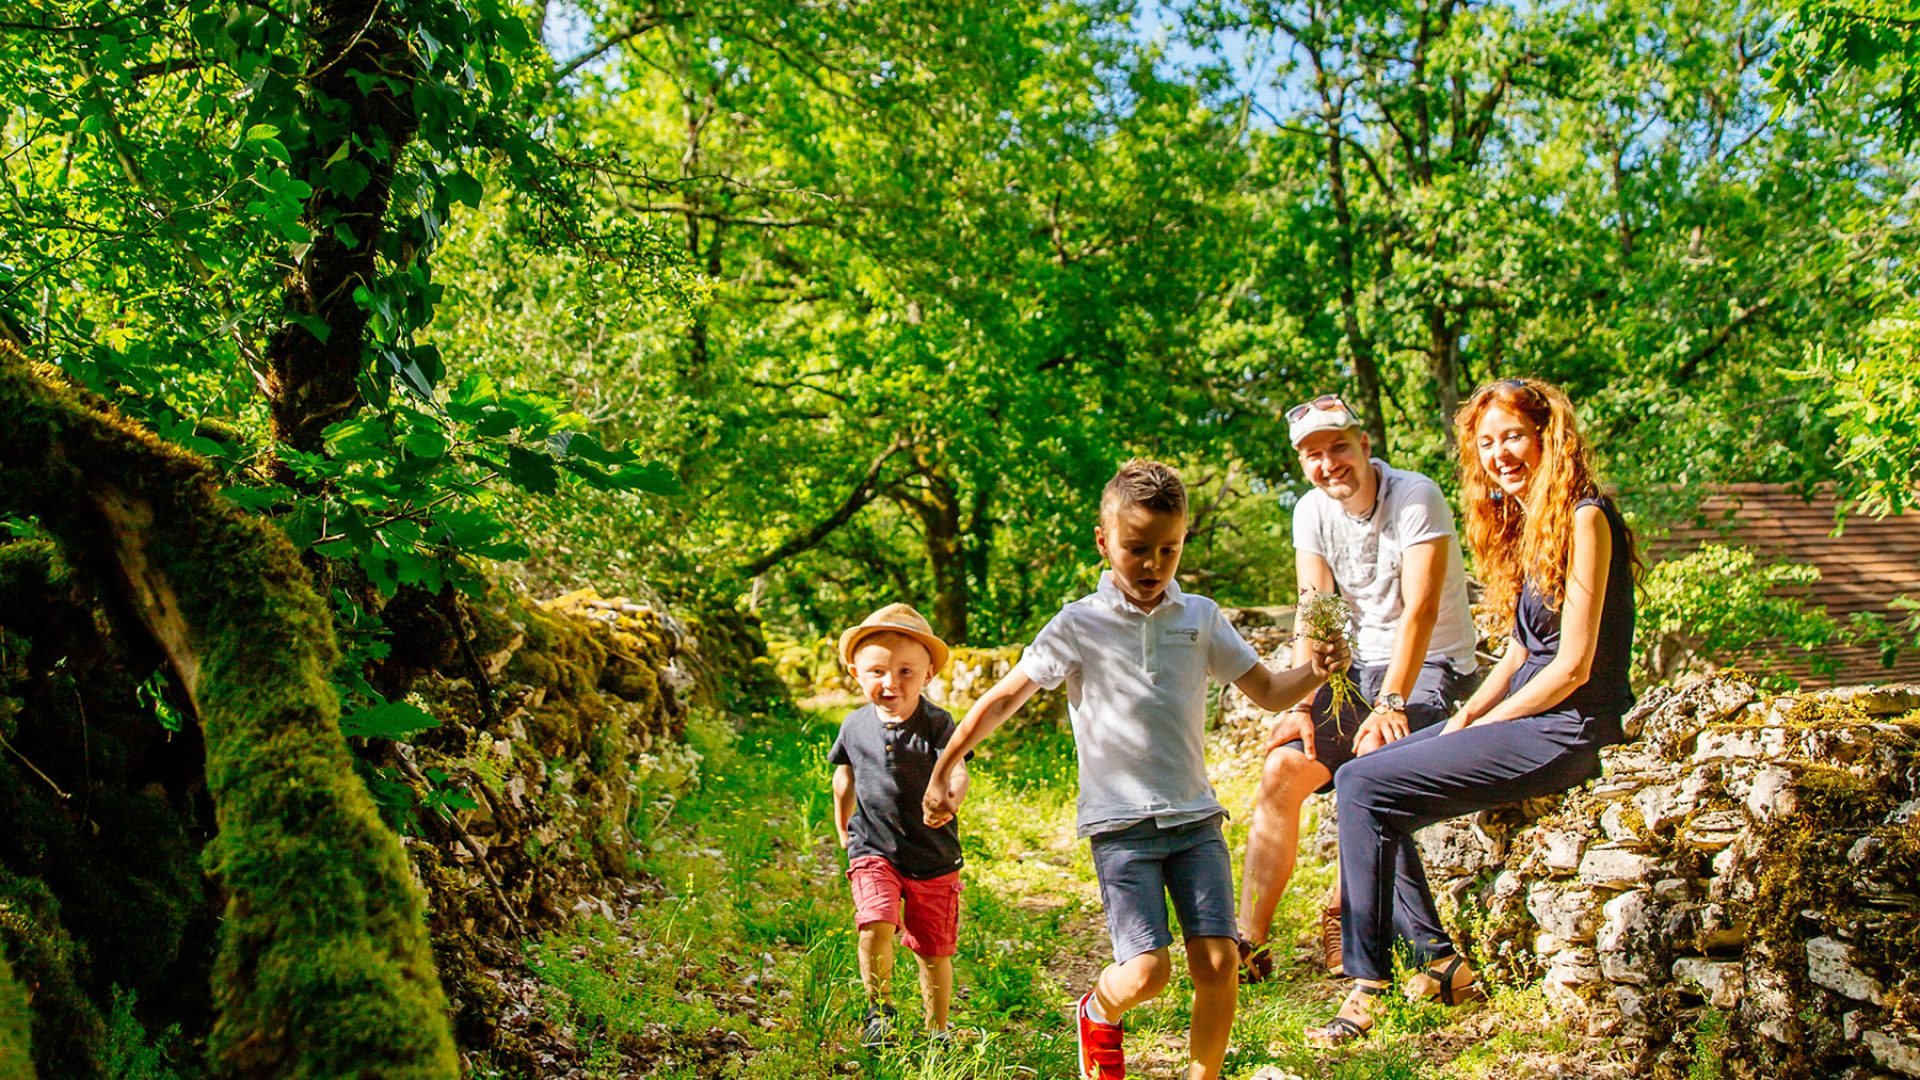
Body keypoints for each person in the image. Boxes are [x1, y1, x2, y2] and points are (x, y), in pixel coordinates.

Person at [921, 460, 1349, 1080]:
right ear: (1103, 542)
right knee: (1148, 972)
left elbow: (1269, 690)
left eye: (1167, 550)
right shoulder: (1078, 624)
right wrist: (944, 765)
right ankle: (1098, 1009)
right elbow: (1005, 697)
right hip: (1120, 827)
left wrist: (1317, 669)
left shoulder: (1199, 617)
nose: (1152, 564)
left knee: (1219, 962)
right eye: (1136, 548)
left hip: (1196, 818)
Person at [1306, 377, 1640, 1046]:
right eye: (1486, 443)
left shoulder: (1585, 518)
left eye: (1513, 436)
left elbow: (1572, 665)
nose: (1500, 454)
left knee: (1364, 783)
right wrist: (1460, 722)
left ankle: (1367, 988)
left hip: (1570, 727)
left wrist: (1490, 723)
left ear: (1549, 436)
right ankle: (1438, 964)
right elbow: (1519, 651)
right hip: (1529, 715)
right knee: (1367, 773)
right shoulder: (1527, 525)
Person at [1238, 393, 1481, 981]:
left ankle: (1347, 916)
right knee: (1283, 768)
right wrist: (1300, 702)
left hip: (1429, 665)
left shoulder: (1415, 494)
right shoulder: (1309, 512)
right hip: (1352, 673)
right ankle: (1247, 943)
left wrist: (1392, 700)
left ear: (1365, 447)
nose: (1328, 464)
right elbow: (1313, 610)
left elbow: (1420, 609)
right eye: (1313, 454)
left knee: (1368, 762)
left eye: (1338, 447)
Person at [829, 603, 970, 1046]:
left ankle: (937, 1029)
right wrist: (844, 829)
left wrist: (950, 798)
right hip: (873, 848)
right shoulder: (853, 727)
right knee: (875, 922)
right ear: (856, 672)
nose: (891, 683)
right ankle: (880, 1011)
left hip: (933, 855)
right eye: (877, 672)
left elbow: (959, 769)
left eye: (906, 671)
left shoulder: (937, 723)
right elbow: (843, 779)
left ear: (928, 674)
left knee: (933, 951)